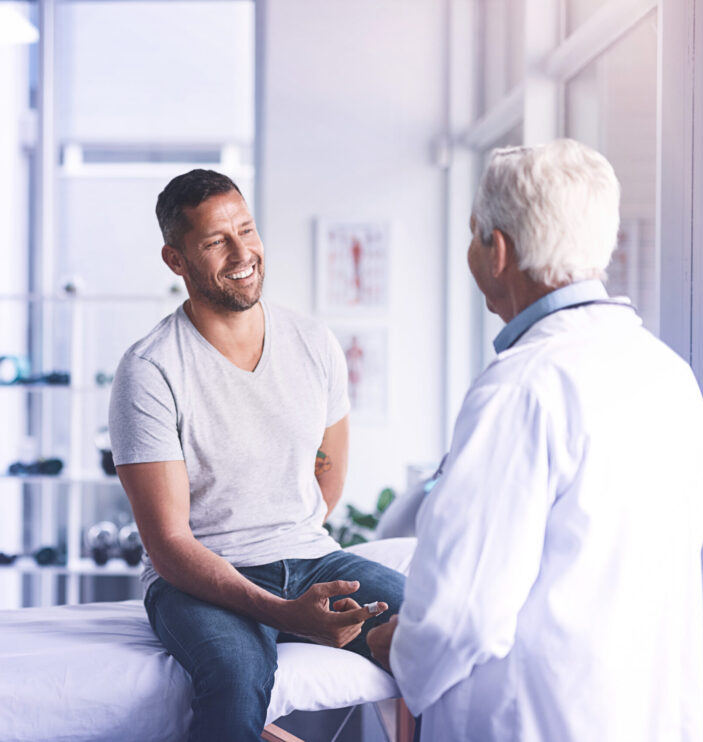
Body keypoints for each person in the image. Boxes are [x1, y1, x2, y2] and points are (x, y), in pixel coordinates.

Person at [367, 139, 703, 741]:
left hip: (533, 720)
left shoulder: (521, 387)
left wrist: (395, 645)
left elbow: (459, 615)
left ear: (495, 250)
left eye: (475, 234)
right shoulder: (667, 373)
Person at [108, 169, 405, 741]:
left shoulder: (313, 342)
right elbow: (168, 545)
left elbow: (329, 469)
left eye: (247, 229)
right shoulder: (149, 370)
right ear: (176, 260)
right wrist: (282, 612)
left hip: (313, 558)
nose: (243, 252)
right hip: (200, 578)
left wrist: (295, 539)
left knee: (438, 629)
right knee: (236, 675)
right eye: (217, 240)